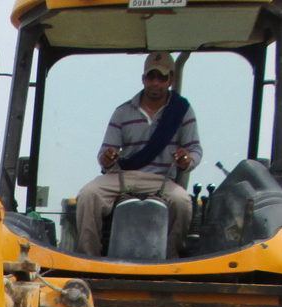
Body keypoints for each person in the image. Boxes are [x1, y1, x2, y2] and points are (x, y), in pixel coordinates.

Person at [75, 52, 203, 258]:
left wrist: (187, 160)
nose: (155, 82)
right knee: (88, 195)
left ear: (171, 79)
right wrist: (107, 158)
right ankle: (88, 259)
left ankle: (171, 261)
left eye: (161, 77)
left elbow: (195, 150)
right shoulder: (123, 112)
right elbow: (104, 153)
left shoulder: (182, 111)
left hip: (161, 179)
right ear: (143, 79)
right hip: (122, 177)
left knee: (182, 201)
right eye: (151, 76)